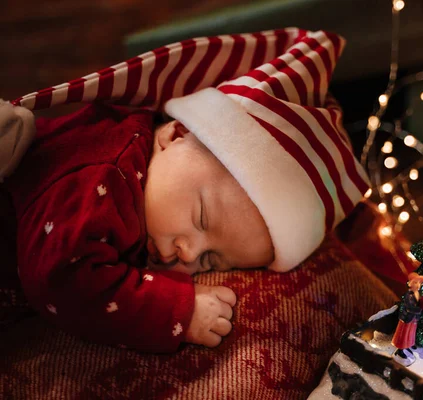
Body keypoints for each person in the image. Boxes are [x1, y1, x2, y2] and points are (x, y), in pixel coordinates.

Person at [0, 29, 370, 352]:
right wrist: (176, 310)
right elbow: (60, 278)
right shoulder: (107, 175)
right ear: (174, 135)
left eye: (210, 261)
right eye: (201, 217)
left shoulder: (143, 190)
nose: (188, 254)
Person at [391, 272, 423, 366]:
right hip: (407, 318)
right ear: (410, 284)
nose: (418, 285)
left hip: (413, 319)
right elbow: (410, 308)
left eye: (419, 283)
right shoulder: (409, 295)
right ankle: (400, 349)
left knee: (410, 333)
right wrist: (420, 309)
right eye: (415, 283)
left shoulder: (417, 294)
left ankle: (407, 345)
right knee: (403, 334)